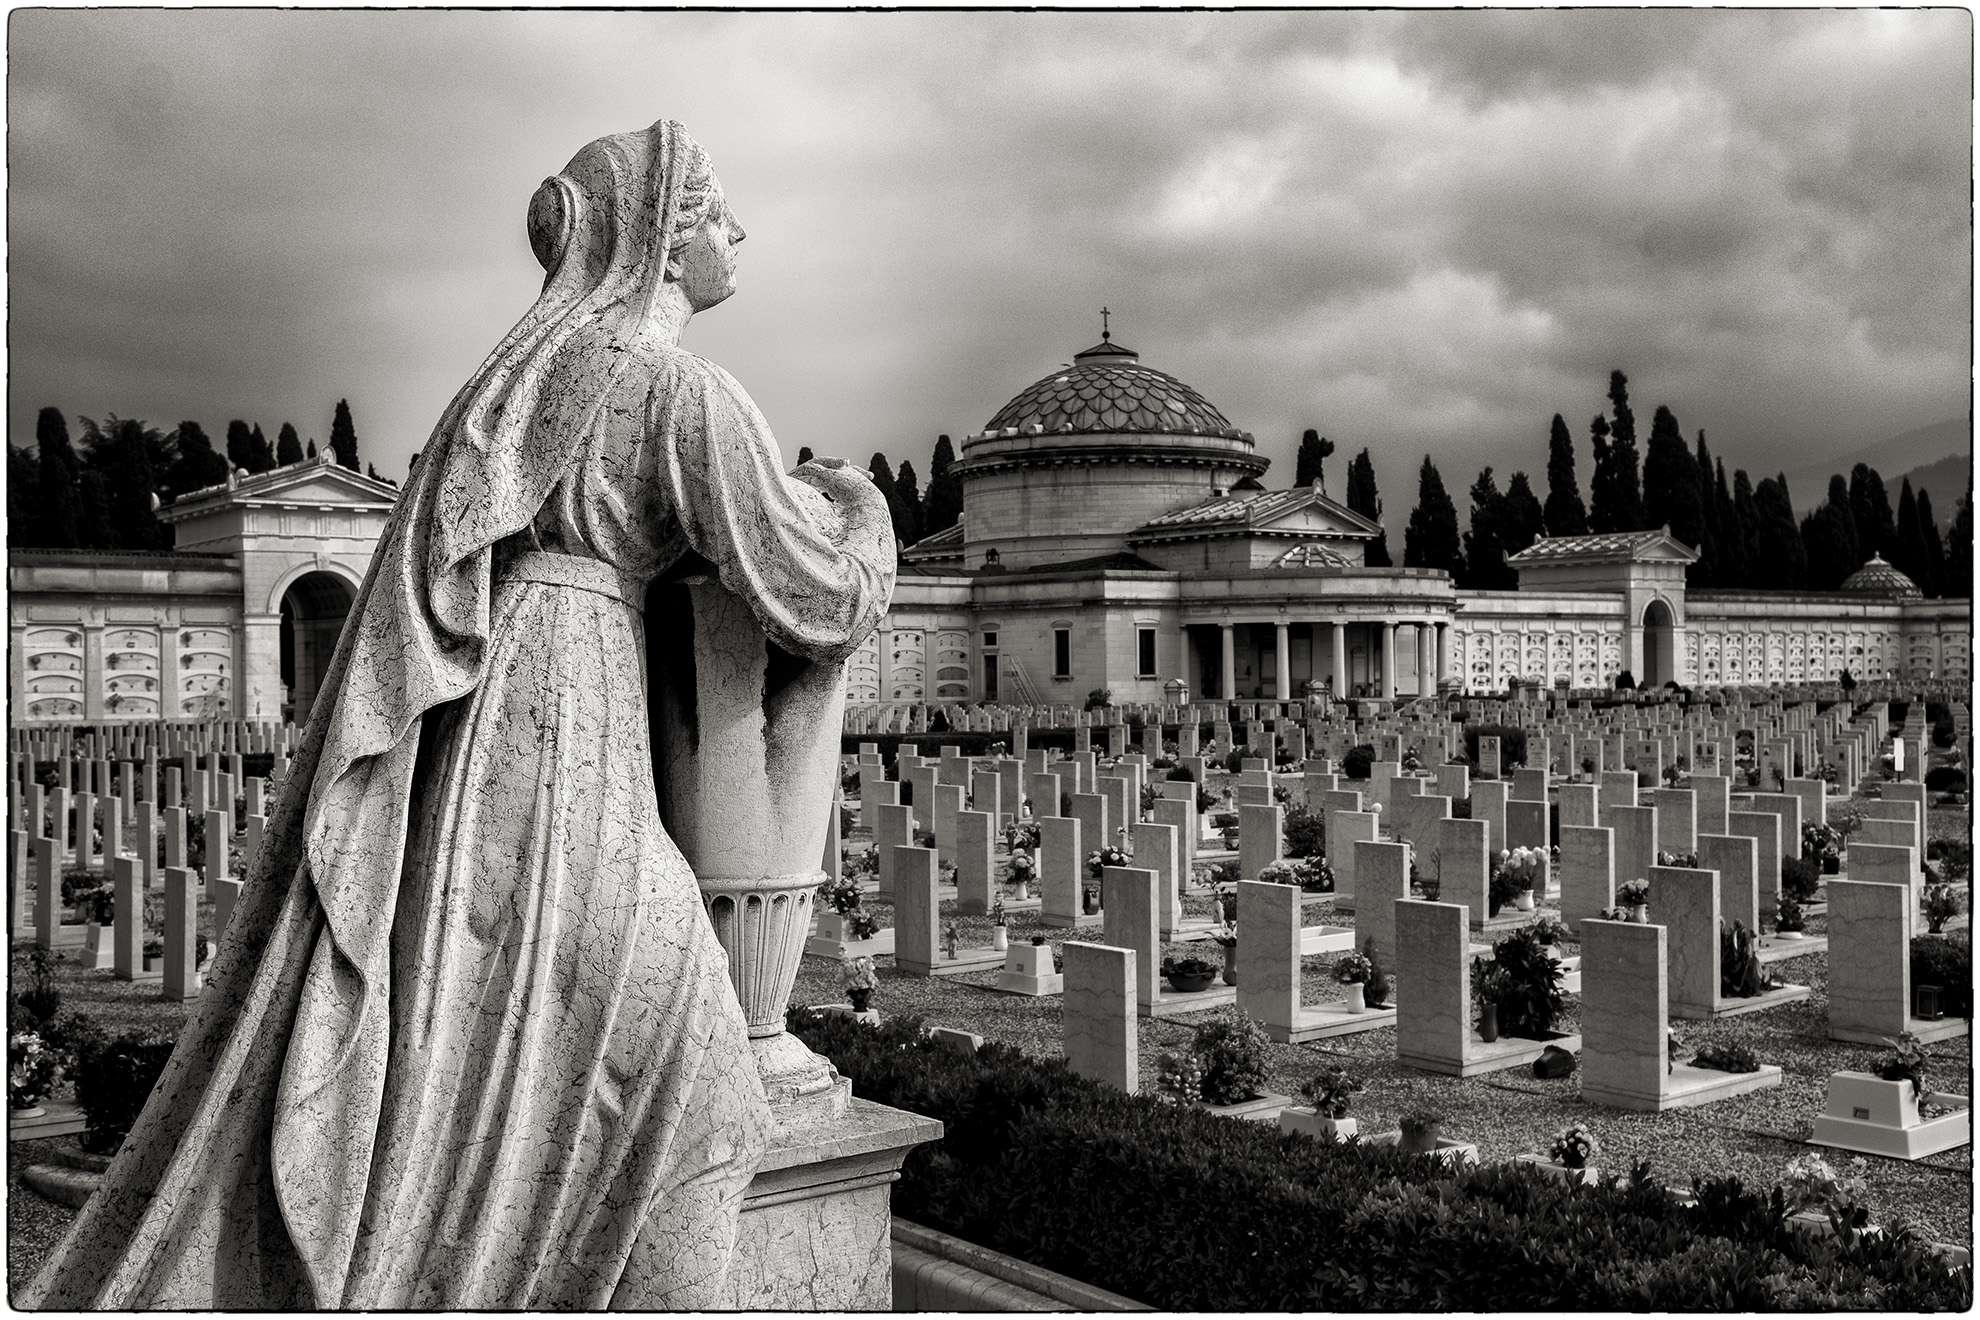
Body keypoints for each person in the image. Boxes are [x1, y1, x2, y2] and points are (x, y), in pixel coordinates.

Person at [22, 120, 896, 1310]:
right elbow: (810, 588)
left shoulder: (517, 380)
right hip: (574, 730)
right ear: (661, 236)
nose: (738, 234)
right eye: (719, 213)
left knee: (483, 1025)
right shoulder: (675, 389)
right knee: (687, 1059)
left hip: (476, 737)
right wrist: (863, 513)